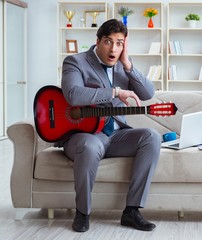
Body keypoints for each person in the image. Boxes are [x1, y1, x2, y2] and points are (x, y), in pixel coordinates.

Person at [60, 19, 161, 232]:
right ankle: (82, 212)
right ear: (97, 41)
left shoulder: (124, 65)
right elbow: (72, 94)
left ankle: (132, 211)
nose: (113, 48)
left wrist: (128, 65)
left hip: (115, 136)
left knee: (152, 136)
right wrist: (114, 92)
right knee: (89, 146)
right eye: (108, 42)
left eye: (119, 43)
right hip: (85, 136)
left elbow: (148, 93)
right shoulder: (75, 62)